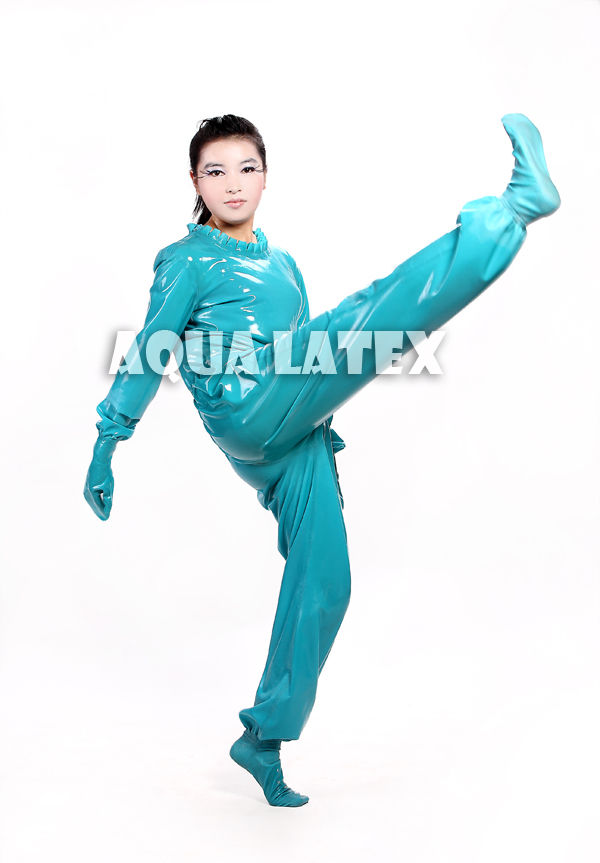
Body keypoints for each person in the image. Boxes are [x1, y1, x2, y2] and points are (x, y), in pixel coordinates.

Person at [84, 112, 560, 807]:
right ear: (195, 182)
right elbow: (153, 345)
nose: (233, 183)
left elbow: (309, 356)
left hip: (294, 425)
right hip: (246, 403)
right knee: (363, 319)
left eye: (247, 168)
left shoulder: (283, 265)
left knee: (326, 581)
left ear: (266, 176)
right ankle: (511, 212)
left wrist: (320, 435)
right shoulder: (186, 260)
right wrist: (109, 439)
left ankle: (263, 739)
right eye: (215, 171)